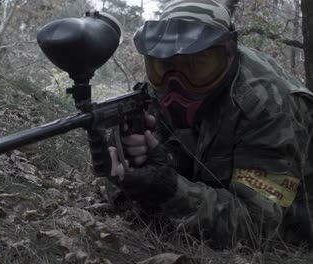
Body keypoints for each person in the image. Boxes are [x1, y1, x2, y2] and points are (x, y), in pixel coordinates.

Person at [106, 0, 313, 248]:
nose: (178, 82)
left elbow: (257, 227)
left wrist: (170, 189)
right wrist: (134, 162)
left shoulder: (266, 104)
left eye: (198, 65)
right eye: (164, 65)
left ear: (228, 52)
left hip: (293, 229)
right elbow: (157, 164)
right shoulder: (159, 88)